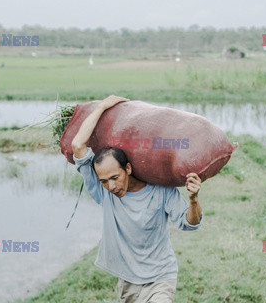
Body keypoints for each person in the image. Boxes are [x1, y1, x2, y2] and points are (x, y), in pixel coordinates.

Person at [71, 95, 203, 303]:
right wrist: (102, 106)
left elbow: (190, 224)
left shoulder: (160, 190)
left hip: (161, 277)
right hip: (127, 281)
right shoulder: (103, 192)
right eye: (104, 181)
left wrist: (194, 200)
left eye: (115, 177)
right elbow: (78, 144)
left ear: (128, 168)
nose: (111, 186)